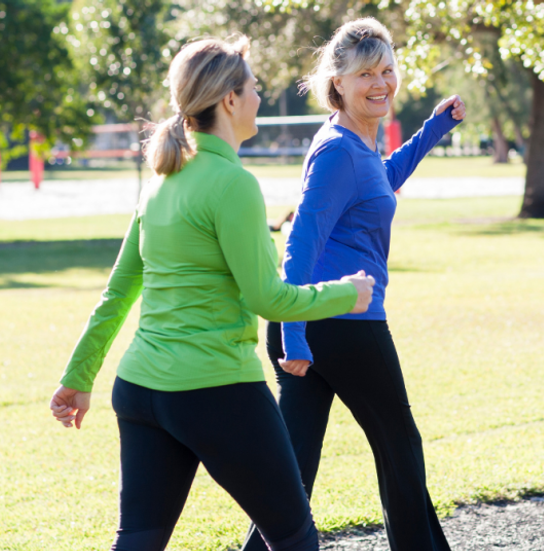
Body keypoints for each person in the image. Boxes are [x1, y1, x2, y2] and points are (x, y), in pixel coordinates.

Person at [48, 36, 376, 551]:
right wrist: (345, 294)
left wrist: (78, 376)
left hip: (140, 391)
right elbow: (269, 299)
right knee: (295, 540)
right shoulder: (233, 184)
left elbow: (117, 293)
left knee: (137, 541)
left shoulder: (160, 180)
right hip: (217, 390)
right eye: (254, 89)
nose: (260, 98)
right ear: (228, 100)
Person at [241, 18, 466, 551]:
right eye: (366, 73)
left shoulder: (355, 145)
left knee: (292, 474)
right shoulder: (339, 150)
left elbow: (379, 184)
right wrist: (294, 338)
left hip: (316, 325)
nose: (380, 83)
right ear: (337, 81)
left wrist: (432, 131)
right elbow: (300, 243)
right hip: (339, 323)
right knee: (399, 447)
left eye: (387, 70)